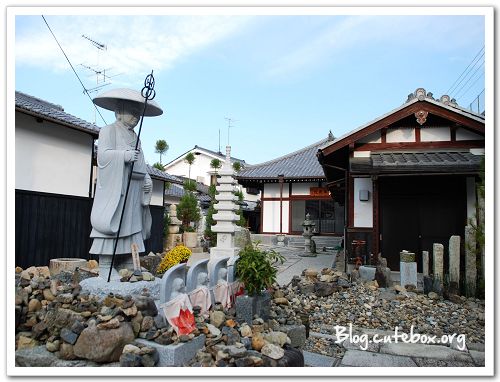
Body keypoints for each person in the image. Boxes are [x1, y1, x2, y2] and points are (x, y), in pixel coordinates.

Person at [89, 88, 163, 278]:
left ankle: (129, 261)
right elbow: (102, 156)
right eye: (132, 112)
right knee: (114, 223)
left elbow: (142, 163)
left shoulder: (136, 138)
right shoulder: (108, 131)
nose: (136, 117)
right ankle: (106, 264)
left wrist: (147, 179)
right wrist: (123, 156)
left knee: (132, 224)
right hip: (118, 187)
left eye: (138, 114)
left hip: (135, 188)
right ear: (119, 112)